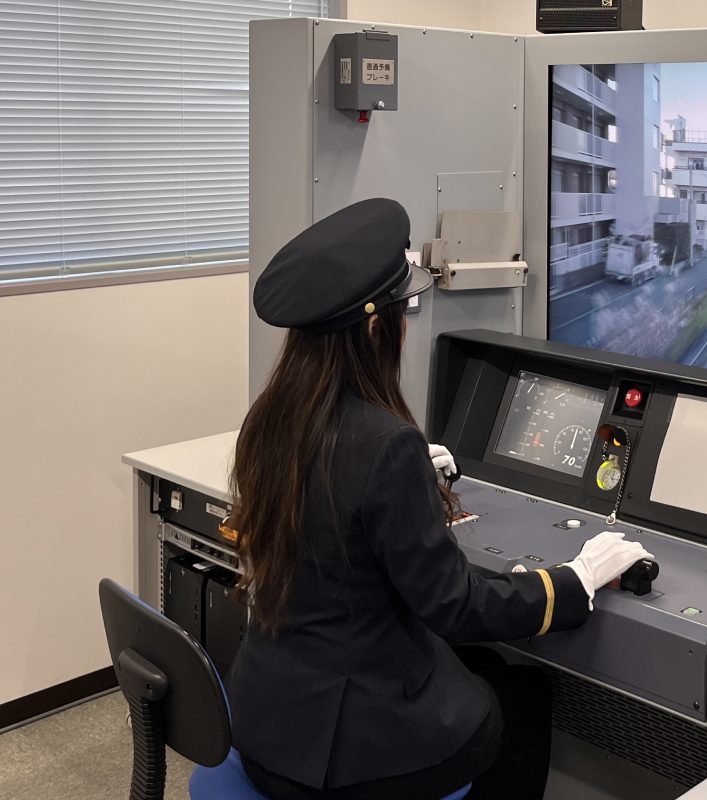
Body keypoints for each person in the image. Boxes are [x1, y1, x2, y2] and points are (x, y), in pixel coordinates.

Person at [227, 198, 653, 800]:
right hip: (348, 759)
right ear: (377, 328)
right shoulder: (385, 446)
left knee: (484, 672)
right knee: (523, 698)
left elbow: (330, 511)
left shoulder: (267, 422)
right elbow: (455, 607)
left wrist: (404, 478)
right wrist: (575, 579)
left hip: (269, 723)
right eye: (405, 312)